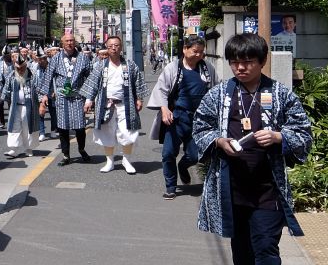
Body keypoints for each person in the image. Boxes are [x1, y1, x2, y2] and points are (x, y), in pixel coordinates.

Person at [192, 33, 311, 265]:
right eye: (235, 62)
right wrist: (219, 141)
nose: (240, 68)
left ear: (261, 61)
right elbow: (200, 128)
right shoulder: (219, 94)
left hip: (268, 188)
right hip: (230, 186)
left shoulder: (281, 94)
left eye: (247, 61)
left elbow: (303, 132)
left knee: (266, 248)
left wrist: (279, 137)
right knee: (241, 246)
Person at [147, 35, 218, 200]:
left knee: (195, 155)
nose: (199, 55)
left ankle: (183, 166)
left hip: (200, 119)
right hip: (177, 117)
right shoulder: (173, 68)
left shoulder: (207, 68)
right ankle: (170, 187)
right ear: (185, 49)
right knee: (168, 153)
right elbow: (161, 90)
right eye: (195, 51)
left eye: (201, 52)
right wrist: (164, 108)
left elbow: (215, 90)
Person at [80, 35, 147, 174]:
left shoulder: (130, 65)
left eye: (116, 45)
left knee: (128, 133)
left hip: (125, 105)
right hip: (106, 105)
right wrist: (88, 100)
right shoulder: (100, 66)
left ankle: (126, 160)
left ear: (121, 47)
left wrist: (139, 98)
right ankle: (109, 161)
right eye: (110, 46)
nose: (113, 48)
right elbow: (92, 83)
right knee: (107, 133)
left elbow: (138, 82)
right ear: (107, 48)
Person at [38, 34, 92, 165]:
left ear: (75, 42)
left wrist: (89, 97)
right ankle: (66, 154)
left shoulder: (83, 58)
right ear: (62, 43)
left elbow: (90, 78)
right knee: (63, 127)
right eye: (67, 41)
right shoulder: (56, 58)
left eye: (71, 40)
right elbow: (48, 77)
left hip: (78, 96)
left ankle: (81, 149)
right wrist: (44, 95)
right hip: (62, 97)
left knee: (80, 126)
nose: (69, 43)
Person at [1, 46, 40, 158]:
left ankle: (29, 148)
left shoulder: (32, 75)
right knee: (14, 127)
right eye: (18, 68)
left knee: (27, 128)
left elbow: (39, 89)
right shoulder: (11, 76)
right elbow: (6, 90)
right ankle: (14, 149)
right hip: (15, 106)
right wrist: (5, 100)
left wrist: (41, 102)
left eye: (22, 68)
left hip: (29, 106)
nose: (20, 70)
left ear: (25, 66)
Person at [0, 47, 13, 128]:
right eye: (4, 55)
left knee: (10, 103)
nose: (5, 57)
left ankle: (11, 121)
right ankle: (2, 122)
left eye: (7, 56)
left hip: (10, 84)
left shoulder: (12, 61)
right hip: (0, 84)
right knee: (0, 103)